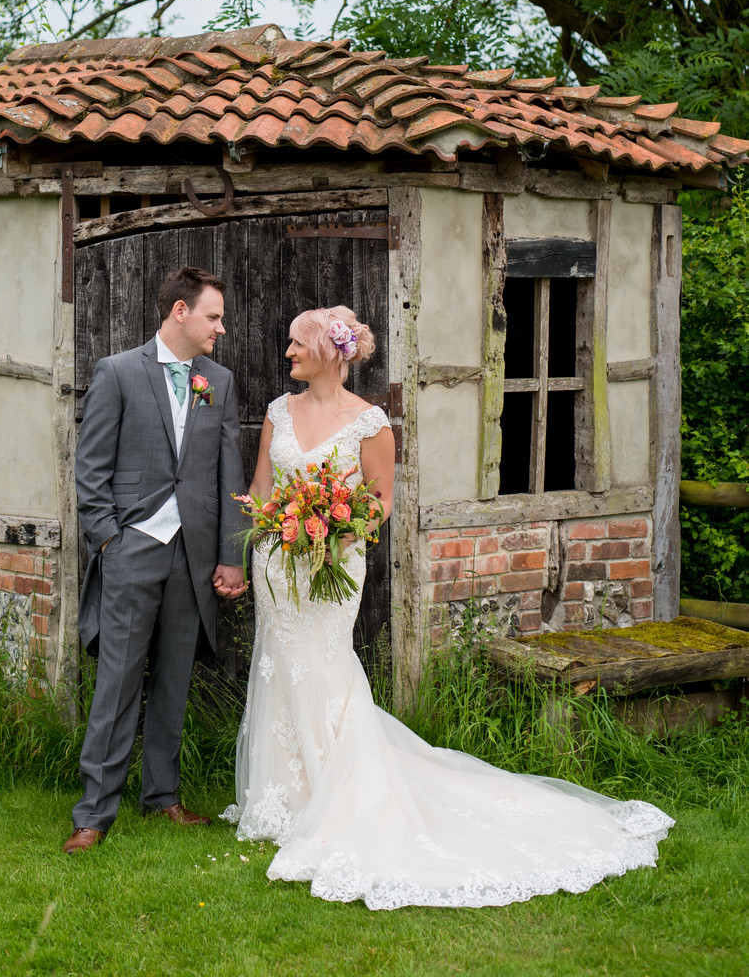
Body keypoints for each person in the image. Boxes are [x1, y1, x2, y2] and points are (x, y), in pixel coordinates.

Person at [222, 305, 674, 908]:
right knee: (279, 664)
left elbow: (380, 499)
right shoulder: (279, 413)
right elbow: (260, 488)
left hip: (334, 563)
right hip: (279, 562)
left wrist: (341, 536)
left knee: (324, 667)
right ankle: (285, 799)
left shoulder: (371, 423)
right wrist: (260, 534)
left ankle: (343, 796)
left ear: (329, 351)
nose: (287, 355)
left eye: (295, 344)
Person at [64, 266, 247, 855]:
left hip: (193, 557)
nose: (221, 327)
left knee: (174, 678)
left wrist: (229, 555)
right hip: (132, 549)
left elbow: (228, 475)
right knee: (116, 682)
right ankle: (94, 813)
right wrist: (109, 541)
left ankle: (162, 796)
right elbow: (90, 470)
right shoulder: (117, 372)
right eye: (213, 316)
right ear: (180, 311)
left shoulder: (217, 379)